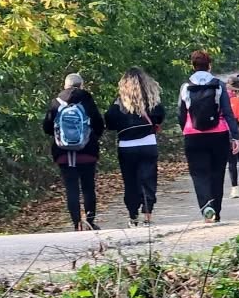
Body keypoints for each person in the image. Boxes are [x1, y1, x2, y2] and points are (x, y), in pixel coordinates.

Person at [178, 51, 239, 224]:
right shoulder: (219, 85)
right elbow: (228, 113)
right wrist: (235, 137)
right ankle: (217, 211)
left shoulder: (185, 87)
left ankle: (207, 208)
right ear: (209, 65)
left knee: (199, 174)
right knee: (217, 173)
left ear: (193, 66)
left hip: (193, 136)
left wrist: (187, 129)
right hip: (218, 135)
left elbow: (181, 114)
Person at [42, 73, 104, 230]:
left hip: (63, 153)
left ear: (65, 85)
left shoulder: (56, 103)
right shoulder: (87, 101)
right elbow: (99, 124)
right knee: (88, 187)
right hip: (87, 152)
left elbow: (47, 128)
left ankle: (77, 224)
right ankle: (90, 222)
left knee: (71, 187)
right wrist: (91, 137)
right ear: (81, 85)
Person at [104, 67, 165, 226]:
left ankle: (133, 215)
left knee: (130, 181)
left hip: (127, 147)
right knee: (148, 179)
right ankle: (148, 214)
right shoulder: (151, 99)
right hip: (148, 144)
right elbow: (160, 116)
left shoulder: (119, 102)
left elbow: (109, 122)